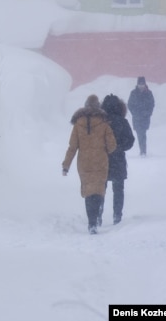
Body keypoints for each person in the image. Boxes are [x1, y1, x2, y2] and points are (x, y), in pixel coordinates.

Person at [62, 94, 117, 234]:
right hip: (100, 162)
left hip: (84, 163)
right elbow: (112, 146)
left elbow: (72, 147)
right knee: (98, 191)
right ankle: (96, 217)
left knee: (88, 192)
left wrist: (66, 165)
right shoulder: (104, 123)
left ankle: (91, 223)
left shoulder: (78, 124)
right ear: (98, 106)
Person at [100, 94, 135, 225]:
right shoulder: (122, 121)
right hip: (118, 160)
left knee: (100, 189)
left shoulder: (100, 122)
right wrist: (118, 148)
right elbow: (130, 141)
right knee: (118, 190)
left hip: (102, 160)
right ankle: (117, 215)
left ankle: (98, 215)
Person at [127, 76, 155, 157]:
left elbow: (152, 104)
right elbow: (130, 105)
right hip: (137, 117)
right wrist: (134, 113)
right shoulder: (133, 93)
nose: (141, 86)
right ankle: (143, 150)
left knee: (143, 133)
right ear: (137, 84)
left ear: (145, 84)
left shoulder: (149, 93)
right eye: (140, 84)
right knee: (140, 133)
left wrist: (148, 113)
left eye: (142, 84)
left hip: (145, 117)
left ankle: (143, 151)